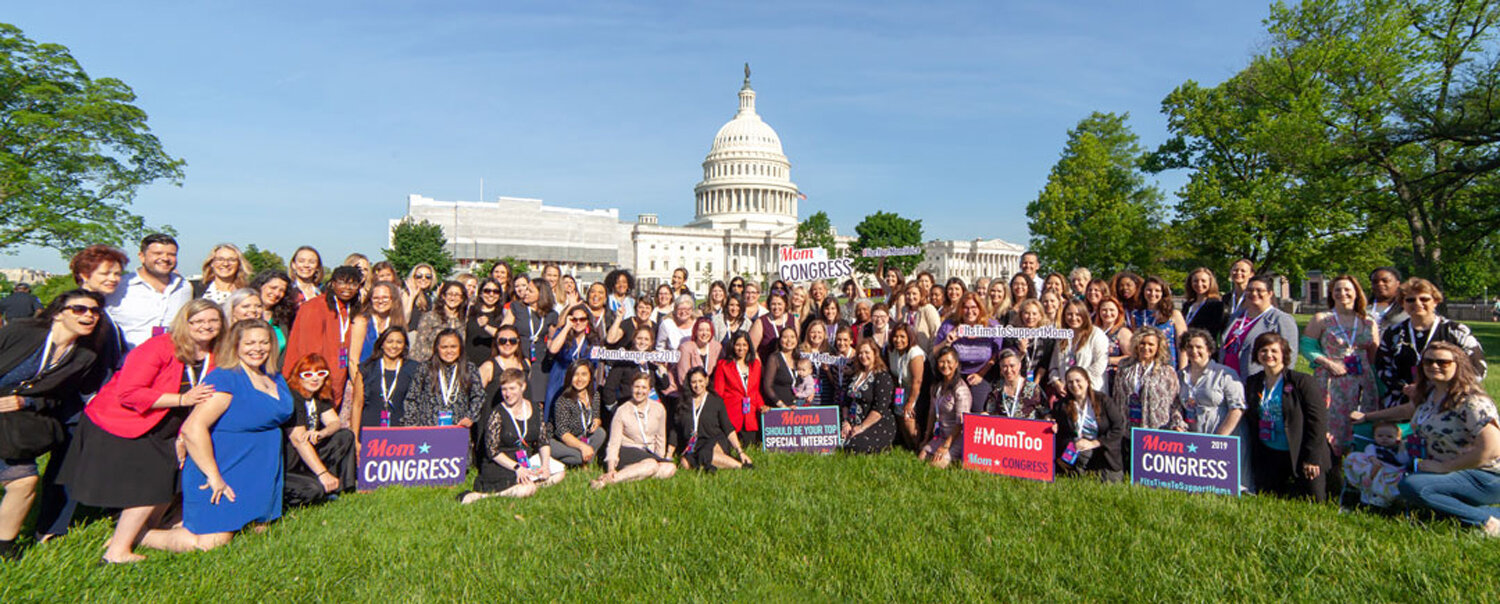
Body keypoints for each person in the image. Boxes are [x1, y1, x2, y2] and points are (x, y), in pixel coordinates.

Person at [60, 299, 221, 563]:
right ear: (185, 323)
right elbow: (129, 393)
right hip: (122, 421)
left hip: (166, 426)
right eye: (198, 321)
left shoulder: (215, 353)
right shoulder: (159, 347)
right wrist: (182, 400)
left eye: (213, 321)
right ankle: (116, 553)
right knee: (149, 487)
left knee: (166, 481)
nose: (206, 326)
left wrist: (184, 432)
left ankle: (139, 533)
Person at [159, 319, 292, 552]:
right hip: (224, 466)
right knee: (211, 543)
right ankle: (141, 535)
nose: (257, 348)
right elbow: (192, 428)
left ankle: (177, 522)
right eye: (249, 343)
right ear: (236, 346)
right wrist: (214, 476)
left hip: (260, 470)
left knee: (260, 531)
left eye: (264, 342)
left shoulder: (275, 377)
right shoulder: (226, 378)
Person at [0, 290, 102, 560]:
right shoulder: (21, 332)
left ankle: (5, 549)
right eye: (79, 309)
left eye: (94, 311)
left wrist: (28, 403)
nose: (88, 315)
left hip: (12, 423)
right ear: (58, 312)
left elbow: (57, 399)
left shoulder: (84, 357)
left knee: (23, 481)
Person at [1365, 342, 1500, 535]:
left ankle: (1487, 520)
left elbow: (1492, 449)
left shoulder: (1471, 401)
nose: (1434, 366)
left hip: (1483, 475)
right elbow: (1407, 410)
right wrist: (1367, 417)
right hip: (1441, 470)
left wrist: (1445, 467)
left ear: (1458, 365)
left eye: (1443, 362)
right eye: (1428, 361)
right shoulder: (1430, 394)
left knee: (1412, 486)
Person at [1375, 278, 1486, 409]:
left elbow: (1478, 367)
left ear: (1435, 301)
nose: (1417, 303)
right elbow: (1382, 366)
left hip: (1451, 399)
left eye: (1424, 299)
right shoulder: (1393, 333)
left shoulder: (1456, 331)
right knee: (1385, 430)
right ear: (1402, 304)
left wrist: (1441, 388)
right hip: (1404, 399)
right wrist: (1405, 388)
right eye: (1410, 300)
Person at [1245, 332, 1330, 501]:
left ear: (1284, 354)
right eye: (1263, 350)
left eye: (1274, 351)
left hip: (1301, 452)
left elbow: (1317, 421)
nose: (1268, 355)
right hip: (1270, 452)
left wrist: (1312, 458)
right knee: (1267, 496)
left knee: (1315, 500)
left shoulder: (1302, 381)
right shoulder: (1253, 382)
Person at [460, 369, 565, 503]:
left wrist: (545, 465)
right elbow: (492, 451)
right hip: (503, 463)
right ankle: (483, 497)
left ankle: (530, 487)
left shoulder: (535, 408)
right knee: (526, 489)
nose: (508, 394)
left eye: (512, 388)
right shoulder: (497, 414)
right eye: (504, 389)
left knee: (559, 472)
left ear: (523, 387)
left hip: (525, 459)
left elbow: (543, 441)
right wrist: (517, 468)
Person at [1301, 275, 1378, 453]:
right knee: (1331, 425)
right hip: (1332, 380)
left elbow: (1374, 353)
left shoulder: (1368, 321)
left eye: (1347, 290)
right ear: (1331, 293)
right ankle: (1331, 464)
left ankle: (1357, 464)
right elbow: (1306, 345)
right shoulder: (1322, 319)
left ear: (1356, 293)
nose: (1342, 293)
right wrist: (1327, 363)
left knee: (1360, 422)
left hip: (1362, 380)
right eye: (1337, 290)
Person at [282, 353, 356, 506]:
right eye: (308, 374)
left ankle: (342, 488)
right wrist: (322, 473)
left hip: (309, 455)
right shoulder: (294, 397)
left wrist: (322, 433)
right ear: (298, 376)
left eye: (321, 373)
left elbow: (335, 422)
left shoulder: (318, 397)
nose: (314, 379)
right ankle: (320, 486)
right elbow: (298, 440)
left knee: (345, 436)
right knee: (314, 489)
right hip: (291, 462)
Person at [282, 266, 363, 403]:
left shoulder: (352, 309)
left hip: (337, 381)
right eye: (342, 282)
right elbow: (307, 352)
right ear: (333, 283)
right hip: (313, 382)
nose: (347, 287)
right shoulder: (315, 307)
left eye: (353, 284)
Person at [106, 233, 193, 350]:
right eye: (157, 253)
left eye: (171, 254)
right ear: (142, 256)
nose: (165, 258)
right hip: (129, 362)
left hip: (172, 361)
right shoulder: (120, 287)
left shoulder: (184, 287)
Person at [593, 371, 676, 489]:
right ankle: (610, 479)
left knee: (669, 468)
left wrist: (660, 459)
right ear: (631, 388)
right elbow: (614, 442)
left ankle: (631, 475)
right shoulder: (622, 410)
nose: (640, 391)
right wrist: (611, 467)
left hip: (648, 451)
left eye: (644, 387)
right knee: (651, 465)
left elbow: (661, 437)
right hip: (628, 450)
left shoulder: (659, 409)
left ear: (649, 390)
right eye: (637, 387)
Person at [932, 292, 1005, 412]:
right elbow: (935, 352)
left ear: (980, 309)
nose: (969, 311)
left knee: (978, 408)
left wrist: (980, 374)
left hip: (982, 373)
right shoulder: (949, 325)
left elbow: (995, 355)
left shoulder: (992, 326)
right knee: (953, 409)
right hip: (954, 374)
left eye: (974, 308)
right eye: (965, 307)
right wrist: (947, 341)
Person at [1051, 366, 1125, 482]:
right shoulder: (1062, 406)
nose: (1074, 385)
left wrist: (1095, 443)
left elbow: (1119, 427)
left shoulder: (1104, 401)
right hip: (1078, 450)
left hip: (1104, 451)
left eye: (1078, 381)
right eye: (1070, 382)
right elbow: (1059, 430)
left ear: (1087, 381)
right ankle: (1077, 470)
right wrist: (1052, 423)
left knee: (1111, 482)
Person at [1169, 329, 1246, 437]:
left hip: (1225, 439)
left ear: (1209, 350)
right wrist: (1178, 425)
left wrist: (1219, 438)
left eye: (1199, 347)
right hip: (1193, 442)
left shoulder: (1226, 374)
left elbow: (1237, 408)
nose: (1194, 351)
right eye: (1190, 347)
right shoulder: (1180, 376)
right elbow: (1176, 406)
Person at [674, 367, 753, 471]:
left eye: (700, 381)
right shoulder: (683, 403)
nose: (697, 385)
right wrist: (668, 454)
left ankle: (742, 467)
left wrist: (740, 452)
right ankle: (709, 466)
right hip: (695, 443)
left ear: (706, 381)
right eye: (694, 382)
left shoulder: (716, 401)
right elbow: (675, 429)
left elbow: (728, 427)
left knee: (705, 454)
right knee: (685, 463)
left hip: (714, 439)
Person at [1222, 275, 1299, 381]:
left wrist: (1278, 382)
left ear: (1270, 293)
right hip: (1228, 379)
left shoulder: (1280, 319)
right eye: (1250, 290)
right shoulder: (1236, 317)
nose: (1254, 293)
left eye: (1259, 290)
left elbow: (1289, 356)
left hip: (1258, 381)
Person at [403, 329, 483, 428]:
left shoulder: (469, 368)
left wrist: (470, 417)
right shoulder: (425, 368)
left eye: (453, 347)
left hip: (458, 429)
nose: (449, 351)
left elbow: (479, 396)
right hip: (428, 430)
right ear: (437, 348)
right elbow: (412, 398)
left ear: (460, 348)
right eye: (444, 347)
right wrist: (412, 423)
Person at [1112, 326, 1180, 434]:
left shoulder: (1167, 371)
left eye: (1151, 344)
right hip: (1127, 428)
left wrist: (1177, 423)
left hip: (1155, 430)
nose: (1146, 347)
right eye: (1142, 343)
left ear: (1158, 347)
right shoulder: (1124, 366)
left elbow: (1175, 402)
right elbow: (1117, 396)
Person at [352, 327, 417, 436]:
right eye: (390, 341)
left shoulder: (413, 369)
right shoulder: (367, 369)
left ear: (404, 345)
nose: (394, 346)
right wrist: (354, 438)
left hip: (401, 432)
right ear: (382, 344)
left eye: (399, 342)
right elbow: (357, 405)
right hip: (370, 431)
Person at [841, 339, 896, 454]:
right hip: (853, 422)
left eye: (867, 352)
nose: (863, 356)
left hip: (876, 423)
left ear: (875, 354)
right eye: (860, 353)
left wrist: (861, 427)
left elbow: (880, 409)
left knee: (855, 447)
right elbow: (846, 402)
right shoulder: (855, 375)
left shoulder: (882, 377)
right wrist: (846, 422)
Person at [543, 304, 599, 418]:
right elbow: (553, 349)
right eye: (574, 319)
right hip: (561, 378)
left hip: (582, 381)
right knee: (555, 415)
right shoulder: (562, 332)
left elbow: (595, 364)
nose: (578, 322)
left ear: (588, 321)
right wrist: (567, 327)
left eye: (582, 319)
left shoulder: (593, 339)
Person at [548, 361, 606, 467]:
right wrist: (582, 447)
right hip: (559, 441)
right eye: (575, 375)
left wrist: (597, 421)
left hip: (581, 436)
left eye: (584, 374)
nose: (579, 379)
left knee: (600, 433)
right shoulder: (563, 400)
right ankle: (577, 460)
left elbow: (596, 416)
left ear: (590, 377)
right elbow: (562, 433)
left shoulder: (594, 395)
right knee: (578, 456)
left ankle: (582, 461)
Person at [919, 347, 968, 468]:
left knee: (935, 465)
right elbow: (931, 412)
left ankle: (955, 459)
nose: (945, 365)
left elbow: (961, 422)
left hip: (957, 438)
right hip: (940, 434)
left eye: (949, 362)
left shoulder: (961, 389)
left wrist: (946, 445)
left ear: (956, 364)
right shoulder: (937, 386)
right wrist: (926, 437)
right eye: (941, 362)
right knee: (921, 457)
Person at [1341, 422, 1411, 508]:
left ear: (1398, 438)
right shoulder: (1373, 447)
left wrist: (1402, 447)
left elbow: (1403, 461)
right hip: (1374, 467)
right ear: (1374, 437)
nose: (1384, 439)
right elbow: (1369, 453)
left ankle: (1383, 498)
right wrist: (1373, 459)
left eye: (1389, 437)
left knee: (1397, 477)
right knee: (1357, 458)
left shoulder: (1396, 450)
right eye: (1380, 436)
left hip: (1390, 470)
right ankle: (1368, 495)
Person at [712, 333, 764, 445]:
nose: (741, 348)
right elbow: (718, 393)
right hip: (731, 414)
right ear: (732, 346)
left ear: (749, 346)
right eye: (738, 345)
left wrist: (762, 406)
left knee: (751, 447)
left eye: (744, 345)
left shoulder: (755, 365)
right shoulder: (723, 365)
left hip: (750, 416)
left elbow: (755, 391)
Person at [1049, 300, 1109, 395]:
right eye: (1069, 314)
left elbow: (1100, 364)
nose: (1073, 318)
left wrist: (1077, 382)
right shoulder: (1062, 337)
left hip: (1092, 391)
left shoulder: (1096, 334)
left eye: (1078, 314)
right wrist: (1057, 382)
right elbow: (1053, 367)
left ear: (1084, 315)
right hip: (1067, 393)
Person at [887, 324, 927, 447]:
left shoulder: (915, 353)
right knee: (899, 416)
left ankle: (917, 446)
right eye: (895, 336)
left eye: (902, 337)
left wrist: (910, 402)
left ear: (909, 338)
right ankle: (908, 447)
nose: (898, 340)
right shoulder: (892, 351)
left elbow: (917, 381)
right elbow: (894, 373)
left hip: (916, 390)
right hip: (901, 389)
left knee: (908, 418)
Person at [409, 280, 468, 364]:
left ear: (462, 299)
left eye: (457, 295)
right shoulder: (430, 317)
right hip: (427, 363)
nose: (453, 298)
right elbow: (421, 345)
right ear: (443, 296)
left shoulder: (464, 320)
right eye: (450, 294)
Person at [1134, 277, 1188, 365]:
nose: (1152, 293)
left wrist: (1183, 369)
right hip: (1143, 365)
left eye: (1157, 291)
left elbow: (1182, 345)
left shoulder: (1173, 314)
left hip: (1168, 364)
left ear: (1163, 293)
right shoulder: (1136, 315)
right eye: (1149, 290)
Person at [989, 349, 1044, 418]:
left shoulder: (1032, 388)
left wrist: (1049, 419)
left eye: (1012, 366)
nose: (1008, 370)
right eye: (1004, 366)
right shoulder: (996, 388)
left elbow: (1045, 411)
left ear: (1019, 366)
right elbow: (989, 412)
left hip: (1025, 428)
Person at [465, 278, 507, 366]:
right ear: (480, 293)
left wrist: (486, 327)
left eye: (496, 291)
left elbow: (504, 336)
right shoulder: (470, 310)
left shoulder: (504, 314)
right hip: (469, 363)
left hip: (491, 364)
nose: (491, 294)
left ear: (500, 295)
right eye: (487, 291)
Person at [675, 317, 721, 397]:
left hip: (710, 392)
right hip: (690, 391)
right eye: (701, 330)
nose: (704, 333)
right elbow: (683, 378)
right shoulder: (685, 348)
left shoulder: (717, 347)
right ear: (695, 332)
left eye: (707, 330)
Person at [250, 270, 295, 350]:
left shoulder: (283, 320)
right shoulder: (245, 313)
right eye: (273, 288)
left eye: (282, 291)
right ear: (260, 286)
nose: (277, 293)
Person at [1096, 298, 1133, 388]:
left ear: (1118, 312)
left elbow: (1131, 357)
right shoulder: (1095, 331)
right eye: (1104, 310)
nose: (1108, 313)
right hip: (1096, 378)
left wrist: (1109, 360)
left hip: (1114, 380)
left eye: (1111, 310)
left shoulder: (1123, 332)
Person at [749, 292, 796, 361]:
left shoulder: (793, 320)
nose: (776, 307)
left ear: (785, 305)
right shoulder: (761, 322)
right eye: (773, 304)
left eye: (779, 304)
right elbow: (752, 349)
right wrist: (761, 367)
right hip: (767, 366)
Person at [761, 327, 799, 409]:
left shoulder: (798, 359)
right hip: (779, 409)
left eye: (792, 337)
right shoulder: (774, 358)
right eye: (785, 337)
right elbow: (767, 386)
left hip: (796, 408)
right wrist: (781, 405)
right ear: (780, 340)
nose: (789, 340)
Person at [1182, 267, 1227, 338]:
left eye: (1203, 281)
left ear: (1210, 283)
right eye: (1195, 281)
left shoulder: (1216, 305)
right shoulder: (1187, 305)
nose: (1199, 284)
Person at [1367, 267, 1407, 335]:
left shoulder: (1406, 307)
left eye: (1385, 281)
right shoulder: (1363, 306)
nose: (1380, 284)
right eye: (1375, 282)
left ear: (1397, 283)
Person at [287, 246, 325, 313]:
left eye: (312, 262)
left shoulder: (324, 292)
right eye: (301, 261)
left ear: (318, 267)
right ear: (293, 265)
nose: (306, 265)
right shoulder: (287, 290)